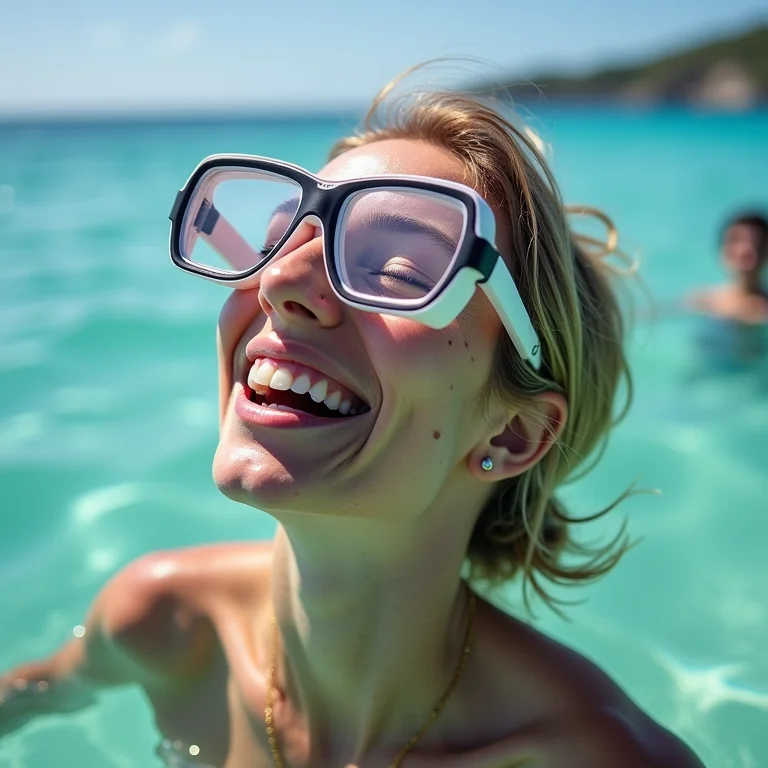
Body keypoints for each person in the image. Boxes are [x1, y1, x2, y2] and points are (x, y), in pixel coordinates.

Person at [0, 72, 705, 767]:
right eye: (277, 242)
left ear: (512, 433)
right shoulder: (160, 623)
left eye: (398, 271)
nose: (279, 281)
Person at [686, 211, 768, 324]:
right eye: (736, 241)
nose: (746, 249)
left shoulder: (704, 302)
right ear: (721, 251)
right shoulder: (701, 300)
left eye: (756, 243)